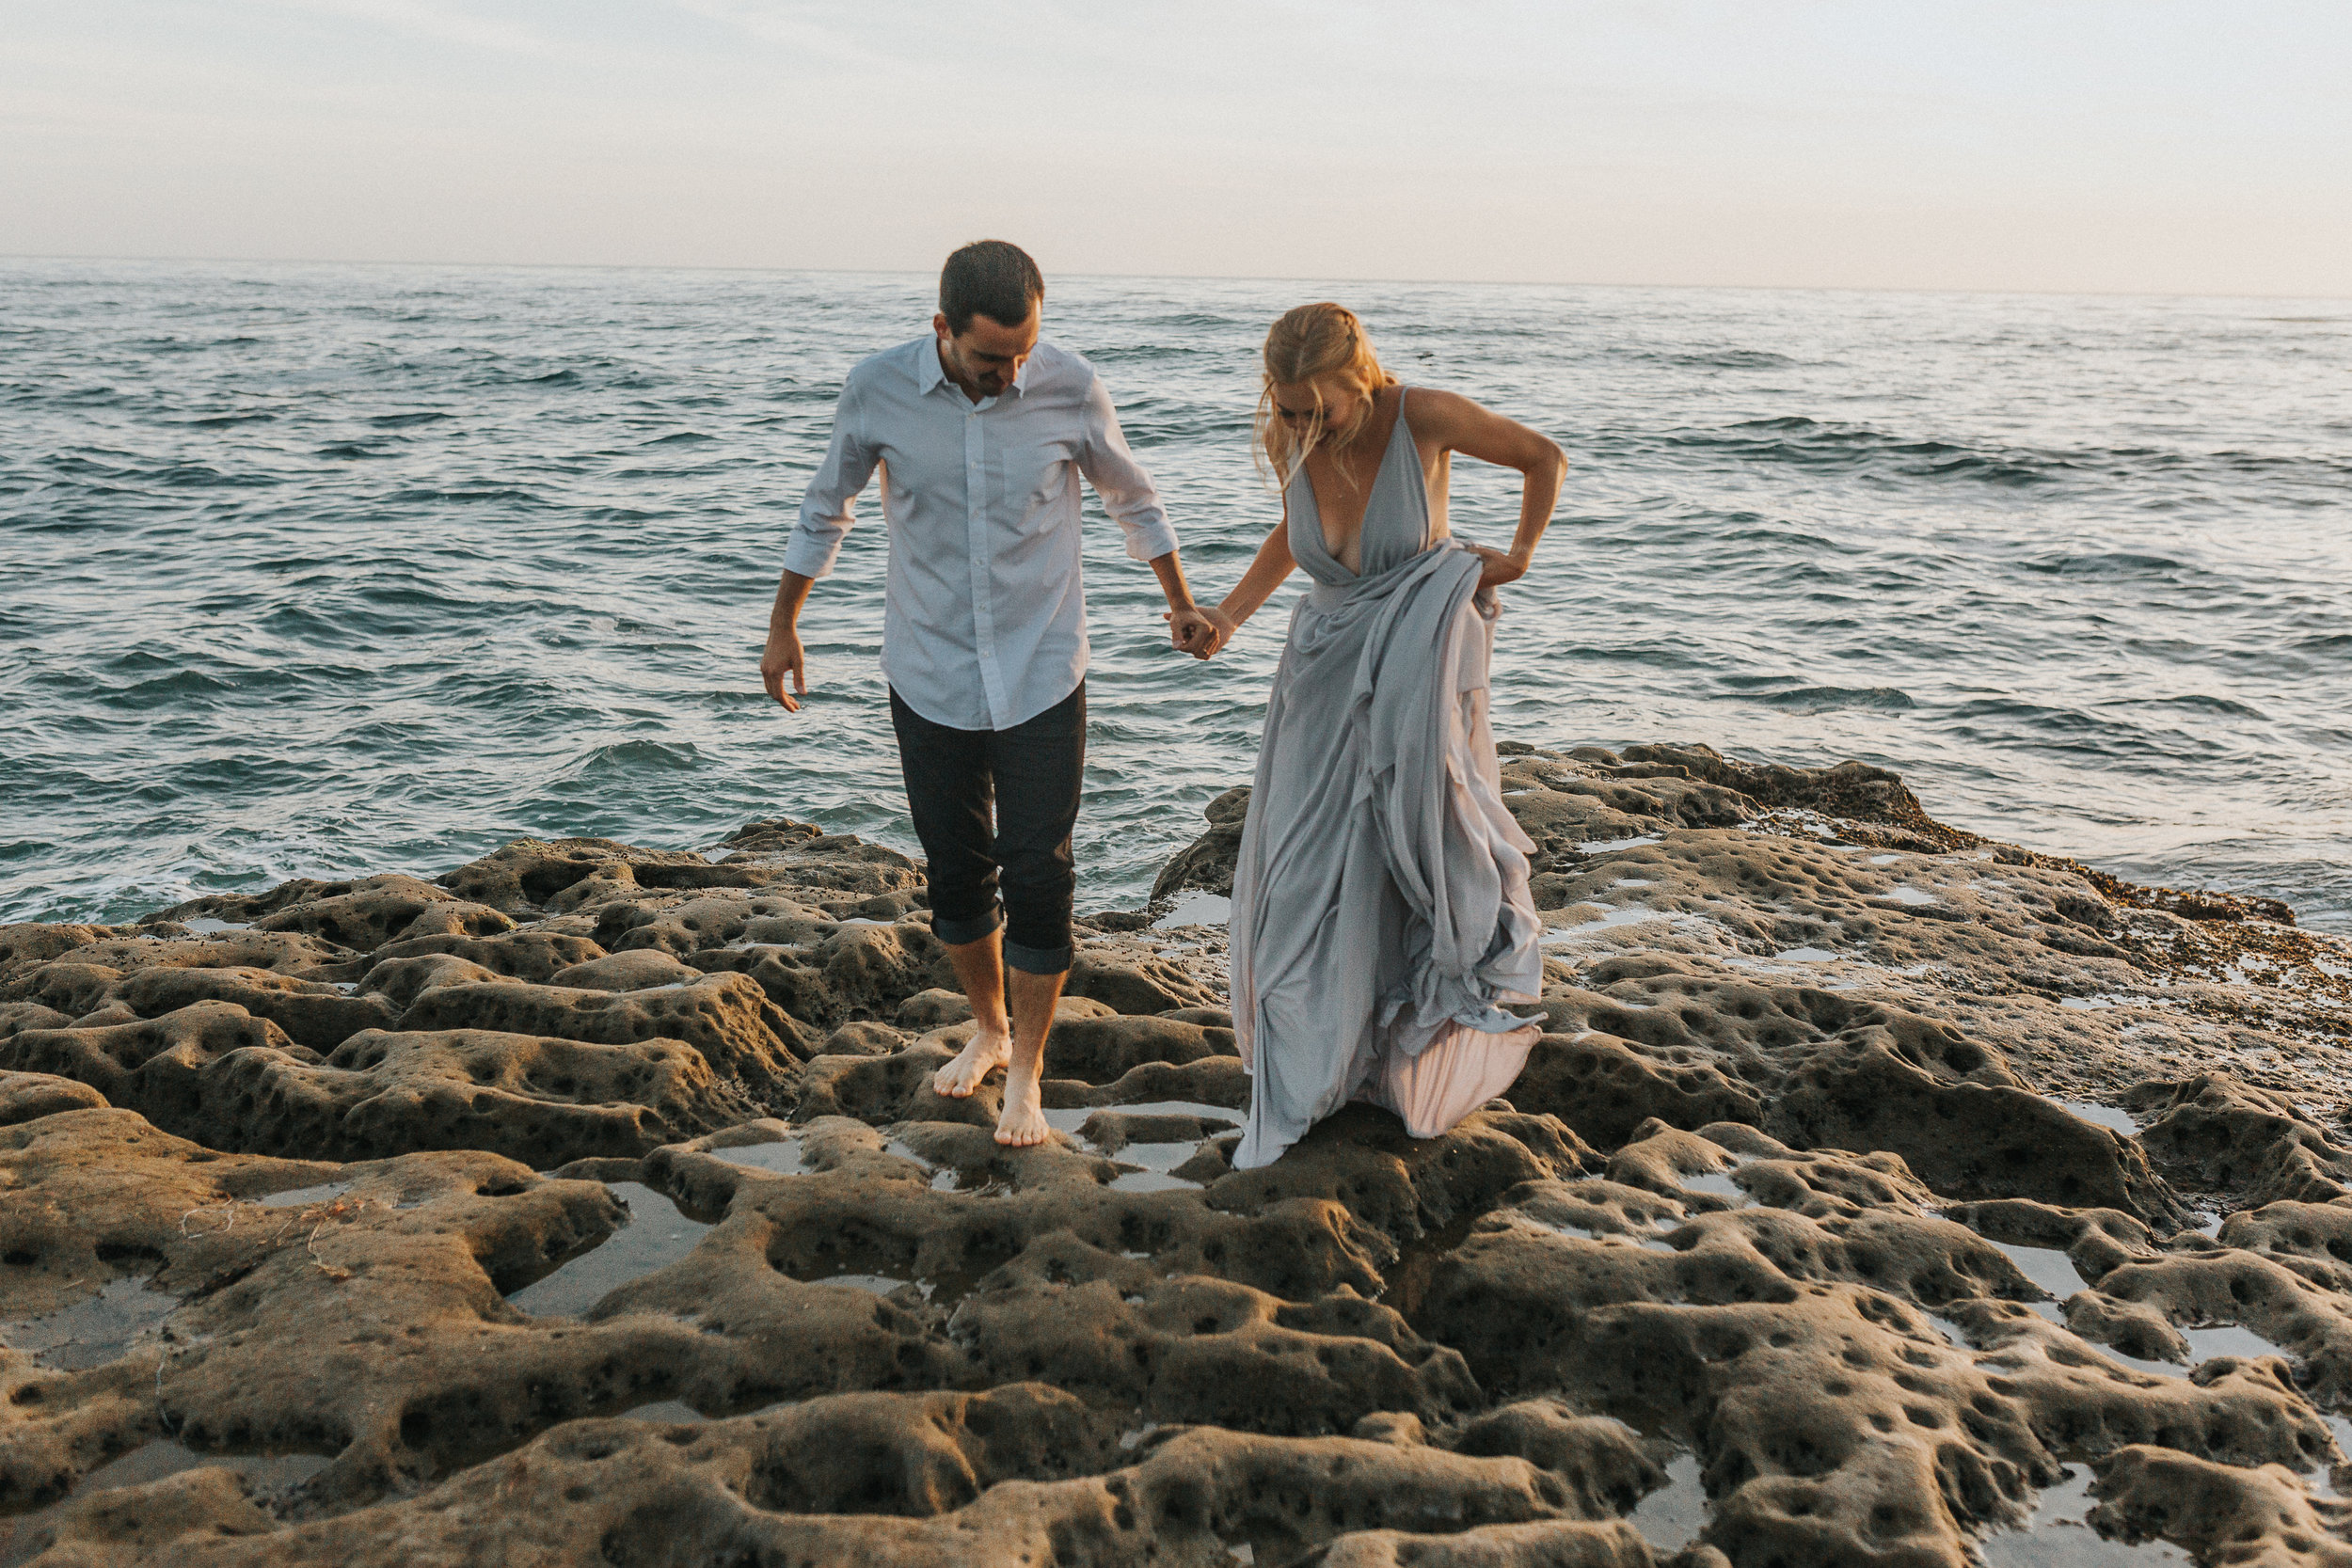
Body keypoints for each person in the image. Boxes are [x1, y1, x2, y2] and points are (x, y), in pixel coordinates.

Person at [761, 240, 1219, 1147]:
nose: (1009, 372)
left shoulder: (1071, 386)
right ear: (941, 330)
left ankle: (1031, 1073)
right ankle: (990, 1028)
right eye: (988, 358)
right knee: (956, 870)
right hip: (928, 667)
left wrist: (1180, 602)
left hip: (1044, 663)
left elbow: (1136, 500)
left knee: (1041, 867)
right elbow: (827, 507)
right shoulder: (876, 388)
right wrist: (784, 623)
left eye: (1021, 354)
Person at [1185, 303, 1566, 1169]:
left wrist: (1518, 554)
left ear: (1364, 378)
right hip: (1320, 677)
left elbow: (1543, 457)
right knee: (1300, 879)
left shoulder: (1421, 415)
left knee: (1411, 866)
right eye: (1286, 410)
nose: (1301, 425)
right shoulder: (1294, 431)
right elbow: (1295, 532)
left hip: (1411, 676)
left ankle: (1397, 1066)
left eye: (1320, 408)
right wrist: (1227, 617)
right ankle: (1308, 1071)